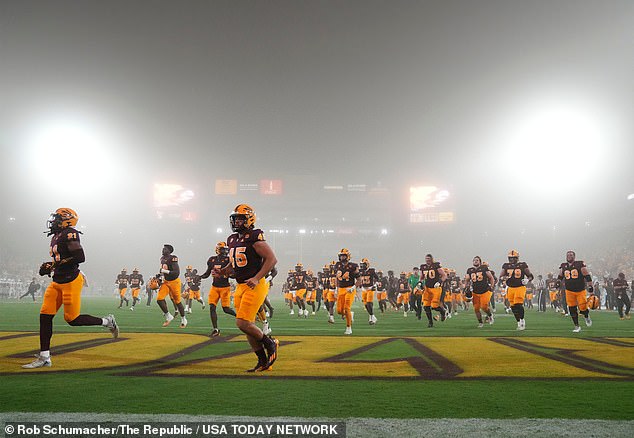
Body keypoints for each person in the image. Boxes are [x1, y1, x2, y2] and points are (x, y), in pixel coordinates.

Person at [23, 208, 118, 369]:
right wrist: (50, 266)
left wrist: (53, 264)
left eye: (57, 219)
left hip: (71, 281)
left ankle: (107, 321)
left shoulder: (70, 233)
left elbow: (80, 257)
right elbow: (62, 258)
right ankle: (45, 356)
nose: (54, 222)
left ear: (67, 220)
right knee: (45, 317)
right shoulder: (56, 236)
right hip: (57, 281)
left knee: (72, 320)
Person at [213, 204, 278, 372]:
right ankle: (263, 361)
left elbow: (271, 259)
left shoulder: (255, 236)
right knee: (247, 327)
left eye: (240, 218)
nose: (236, 222)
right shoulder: (232, 239)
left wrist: (257, 278)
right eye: (235, 219)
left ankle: (270, 344)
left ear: (250, 219)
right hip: (241, 285)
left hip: (254, 285)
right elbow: (234, 263)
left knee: (242, 323)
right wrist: (223, 270)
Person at [200, 242, 236, 337]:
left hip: (225, 287)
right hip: (215, 287)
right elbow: (207, 273)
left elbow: (234, 275)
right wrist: (200, 277)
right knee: (212, 307)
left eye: (226, 249)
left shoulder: (229, 260)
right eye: (223, 249)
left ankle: (240, 317)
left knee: (226, 309)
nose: (225, 251)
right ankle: (215, 329)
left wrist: (224, 274)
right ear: (218, 249)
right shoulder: (212, 260)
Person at [557, 250, 593, 333]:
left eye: (571, 255)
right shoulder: (563, 265)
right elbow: (560, 276)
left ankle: (586, 316)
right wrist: (558, 283)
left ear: (574, 256)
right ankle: (577, 326)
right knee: (572, 309)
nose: (569, 256)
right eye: (568, 255)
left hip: (580, 290)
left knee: (583, 308)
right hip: (569, 291)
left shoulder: (579, 264)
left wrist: (590, 288)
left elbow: (587, 276)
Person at [500, 250, 533, 330]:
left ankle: (522, 320)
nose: (512, 260)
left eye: (513, 258)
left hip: (520, 287)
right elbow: (501, 276)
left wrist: (528, 280)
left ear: (517, 258)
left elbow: (531, 276)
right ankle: (518, 322)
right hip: (510, 288)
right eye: (510, 258)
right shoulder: (506, 266)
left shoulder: (522, 265)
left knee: (518, 304)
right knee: (513, 306)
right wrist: (503, 278)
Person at [156, 244, 187, 328]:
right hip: (166, 282)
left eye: (165, 249)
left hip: (174, 282)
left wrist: (164, 271)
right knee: (159, 299)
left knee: (177, 301)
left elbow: (176, 272)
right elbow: (162, 271)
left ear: (169, 251)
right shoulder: (162, 259)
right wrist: (159, 277)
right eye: (163, 248)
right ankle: (168, 316)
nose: (163, 250)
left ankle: (183, 319)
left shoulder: (173, 258)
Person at [464, 256, 496, 328]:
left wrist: (492, 286)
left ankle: (490, 315)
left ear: (480, 262)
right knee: (476, 308)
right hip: (475, 292)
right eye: (474, 260)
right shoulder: (470, 270)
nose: (475, 261)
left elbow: (491, 277)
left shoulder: (484, 268)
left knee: (484, 306)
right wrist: (466, 287)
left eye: (477, 260)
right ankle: (480, 322)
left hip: (485, 291)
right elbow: (467, 279)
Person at [335, 248, 360, 334]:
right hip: (341, 289)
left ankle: (349, 328)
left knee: (346, 308)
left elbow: (359, 280)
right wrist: (336, 288)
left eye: (344, 256)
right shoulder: (337, 265)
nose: (342, 257)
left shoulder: (353, 266)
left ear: (348, 256)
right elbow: (337, 278)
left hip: (350, 289)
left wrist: (353, 287)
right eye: (341, 256)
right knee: (339, 311)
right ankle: (349, 314)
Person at [420, 254, 448, 327]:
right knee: (426, 306)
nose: (427, 260)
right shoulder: (423, 267)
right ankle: (430, 322)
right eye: (426, 258)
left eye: (429, 258)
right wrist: (420, 283)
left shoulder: (436, 265)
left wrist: (440, 281)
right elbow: (422, 277)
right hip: (427, 288)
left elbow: (444, 275)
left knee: (434, 306)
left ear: (432, 259)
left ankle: (443, 312)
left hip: (436, 288)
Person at [359, 258, 378, 324]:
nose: (362, 266)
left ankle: (371, 317)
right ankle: (372, 316)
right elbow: (358, 278)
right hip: (364, 289)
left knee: (369, 302)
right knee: (366, 305)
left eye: (363, 264)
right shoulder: (360, 271)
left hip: (370, 288)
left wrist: (375, 285)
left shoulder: (372, 271)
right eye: (361, 264)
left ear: (367, 265)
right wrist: (359, 283)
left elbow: (377, 278)